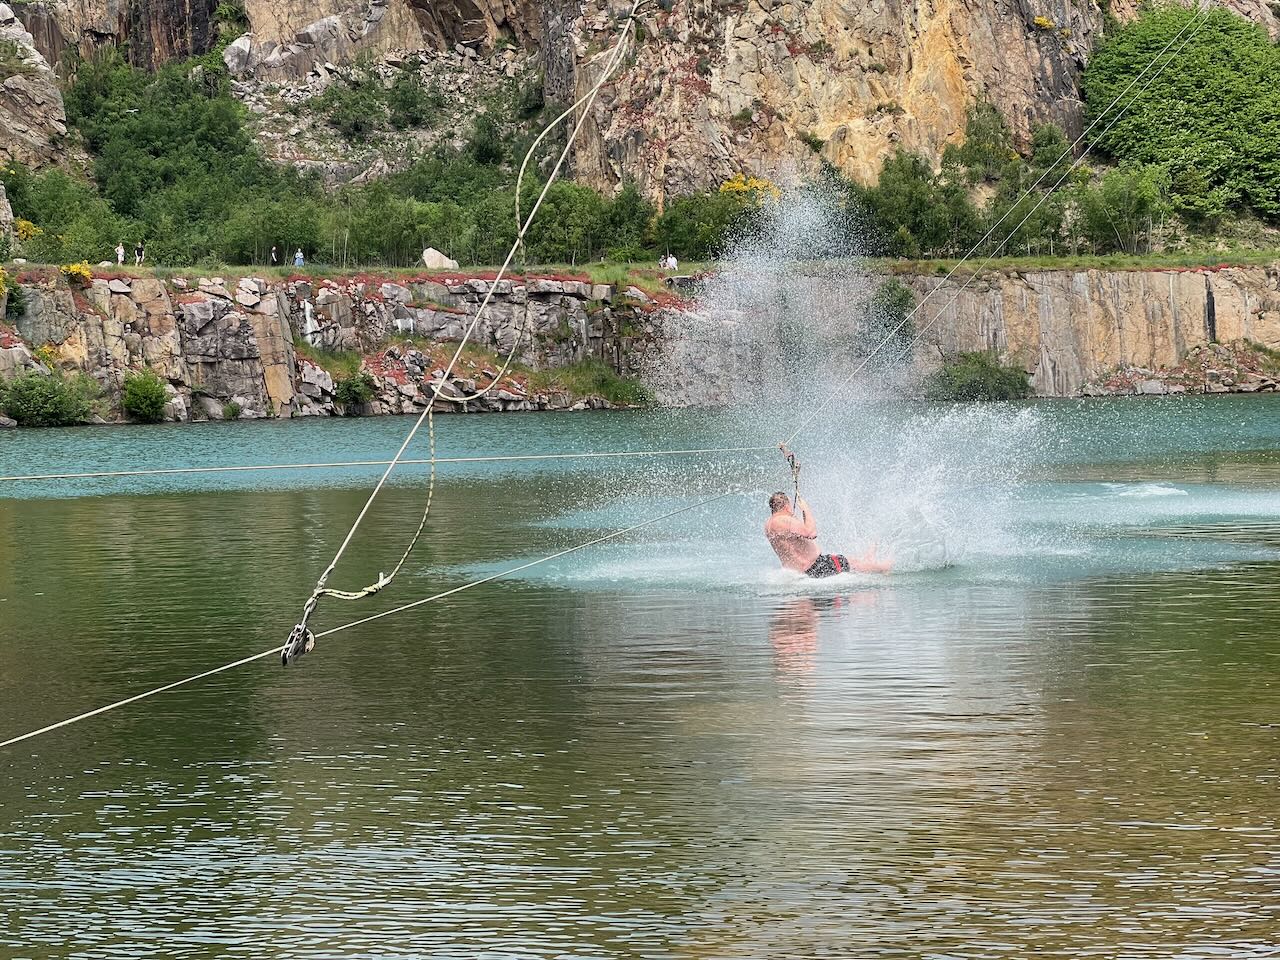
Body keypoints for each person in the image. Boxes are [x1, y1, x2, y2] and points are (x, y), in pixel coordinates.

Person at [765, 491, 892, 578]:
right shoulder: (784, 520)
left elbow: (797, 538)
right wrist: (806, 508)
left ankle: (869, 560)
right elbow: (811, 533)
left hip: (801, 570)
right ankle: (883, 567)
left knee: (850, 561)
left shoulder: (769, 524)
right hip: (815, 566)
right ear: (787, 506)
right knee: (852, 564)